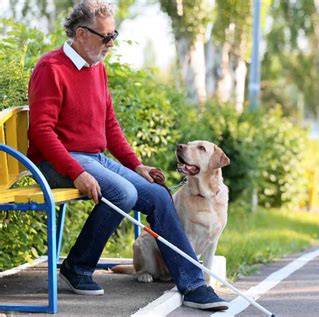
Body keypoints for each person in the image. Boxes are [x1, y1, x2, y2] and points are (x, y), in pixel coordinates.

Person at [27, 0, 228, 311]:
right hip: (55, 161)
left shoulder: (98, 70)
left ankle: (192, 284)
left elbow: (110, 127)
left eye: (114, 35)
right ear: (81, 34)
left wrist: (136, 165)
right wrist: (76, 171)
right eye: (105, 37)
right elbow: (41, 132)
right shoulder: (50, 69)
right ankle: (77, 267)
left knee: (158, 195)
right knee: (122, 192)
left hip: (94, 157)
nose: (111, 43)